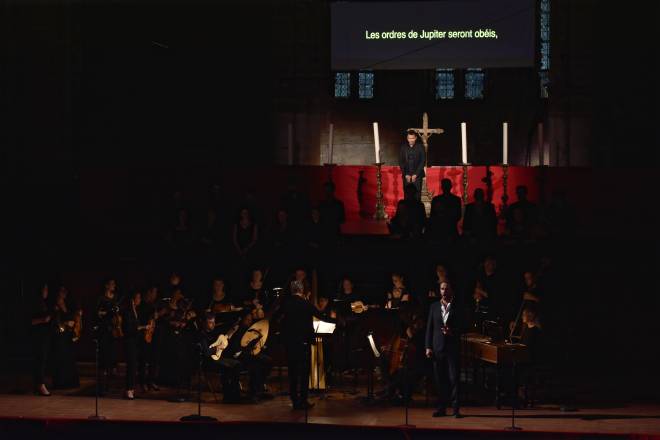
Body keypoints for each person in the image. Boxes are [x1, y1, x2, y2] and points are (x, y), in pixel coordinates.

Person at [278, 280, 329, 410]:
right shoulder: (305, 303)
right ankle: (303, 400)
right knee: (304, 372)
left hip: (290, 343)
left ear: (291, 290)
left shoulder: (285, 304)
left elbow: (279, 319)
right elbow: (320, 314)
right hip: (303, 343)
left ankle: (295, 400)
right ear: (301, 290)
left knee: (293, 373)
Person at [425, 281, 463, 418]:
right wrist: (428, 347)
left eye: (446, 289)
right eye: (442, 289)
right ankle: (441, 408)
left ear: (451, 290)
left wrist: (452, 332)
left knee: (454, 379)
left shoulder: (458, 307)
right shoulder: (434, 306)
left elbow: (464, 328)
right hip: (437, 348)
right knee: (439, 379)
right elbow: (429, 328)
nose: (444, 291)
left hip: (452, 348)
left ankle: (455, 409)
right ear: (439, 290)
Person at [51, 285, 80, 389]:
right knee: (61, 358)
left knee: (69, 358)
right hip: (59, 335)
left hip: (68, 335)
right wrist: (66, 323)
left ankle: (70, 382)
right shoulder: (54, 305)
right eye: (62, 291)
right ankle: (60, 382)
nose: (64, 293)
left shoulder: (67, 304)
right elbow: (55, 321)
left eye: (65, 291)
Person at [95, 278, 120, 394]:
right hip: (104, 331)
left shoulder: (115, 298)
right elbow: (97, 314)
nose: (114, 285)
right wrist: (107, 312)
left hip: (113, 331)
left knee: (112, 358)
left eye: (114, 284)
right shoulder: (100, 298)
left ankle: (109, 386)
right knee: (103, 359)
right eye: (111, 284)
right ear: (106, 285)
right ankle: (101, 387)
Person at [122, 289, 146, 400]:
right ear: (132, 300)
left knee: (135, 365)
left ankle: (132, 388)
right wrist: (142, 327)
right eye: (138, 298)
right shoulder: (127, 312)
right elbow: (128, 328)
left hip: (136, 341)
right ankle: (129, 390)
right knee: (131, 366)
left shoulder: (136, 310)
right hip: (129, 341)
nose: (139, 300)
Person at [30, 283, 52, 396]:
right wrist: (43, 320)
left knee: (42, 360)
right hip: (38, 336)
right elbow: (30, 321)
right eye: (45, 289)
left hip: (44, 335)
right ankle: (39, 384)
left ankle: (39, 384)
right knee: (39, 360)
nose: (46, 291)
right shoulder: (35, 303)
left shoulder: (44, 303)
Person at [137, 284, 159, 392]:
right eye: (154, 292)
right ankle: (142, 382)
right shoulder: (141, 305)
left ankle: (151, 381)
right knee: (143, 361)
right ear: (149, 293)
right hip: (143, 336)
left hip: (152, 335)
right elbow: (140, 320)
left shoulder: (153, 305)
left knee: (153, 360)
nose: (155, 295)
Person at [398, 130, 426, 199]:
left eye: (412, 138)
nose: (411, 140)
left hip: (417, 175)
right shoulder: (403, 147)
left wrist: (416, 174)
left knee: (417, 194)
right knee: (407, 194)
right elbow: (401, 161)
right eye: (409, 138)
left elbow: (423, 161)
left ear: (415, 138)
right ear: (407, 138)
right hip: (406, 175)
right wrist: (406, 174)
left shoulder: (420, 147)